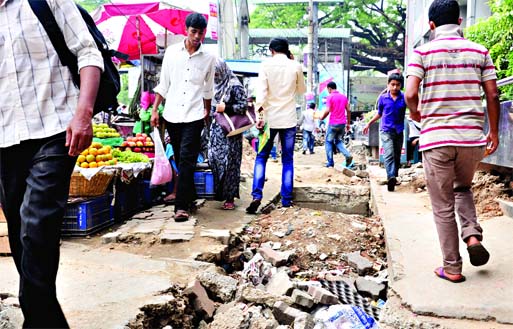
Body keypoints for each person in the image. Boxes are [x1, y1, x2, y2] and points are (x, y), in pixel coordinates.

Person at [0, 0, 103, 326]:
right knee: (21, 239)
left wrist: (84, 113)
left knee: (36, 226)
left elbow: (87, 52)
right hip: (5, 139)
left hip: (56, 130)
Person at [405, 0, 500, 283]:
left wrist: (417, 113)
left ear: (431, 26)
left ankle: (452, 268)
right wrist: (493, 132)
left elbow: (410, 94)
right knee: (463, 188)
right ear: (460, 22)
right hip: (471, 139)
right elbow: (493, 95)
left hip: (436, 139)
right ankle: (472, 236)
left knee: (443, 205)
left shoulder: (421, 52)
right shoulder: (480, 51)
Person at [151, 13, 216, 222]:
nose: (197, 36)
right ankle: (190, 195)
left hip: (195, 114)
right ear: (186, 30)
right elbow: (163, 84)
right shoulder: (171, 53)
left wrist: (207, 112)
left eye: (201, 32)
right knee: (180, 157)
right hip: (172, 114)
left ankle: (180, 207)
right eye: (193, 31)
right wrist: (154, 110)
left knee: (188, 158)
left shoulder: (208, 58)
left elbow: (208, 89)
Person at [246, 38, 306, 213]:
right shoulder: (295, 66)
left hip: (269, 119)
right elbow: (301, 91)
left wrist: (259, 115)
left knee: (261, 157)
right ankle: (286, 200)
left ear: (271, 50)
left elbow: (262, 93)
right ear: (287, 50)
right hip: (288, 119)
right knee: (287, 159)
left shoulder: (265, 65)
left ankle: (257, 195)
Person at [208, 59, 247, 210]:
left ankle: (230, 197)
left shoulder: (235, 85)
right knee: (214, 160)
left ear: (223, 70)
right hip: (216, 131)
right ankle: (219, 193)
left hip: (231, 132)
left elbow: (243, 106)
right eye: (214, 73)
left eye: (217, 72)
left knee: (230, 163)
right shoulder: (213, 86)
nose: (216, 75)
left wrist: (227, 107)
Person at [363, 73, 407, 191]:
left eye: (397, 85)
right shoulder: (383, 98)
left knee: (397, 155)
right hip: (386, 130)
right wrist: (369, 123)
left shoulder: (404, 97)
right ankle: (391, 177)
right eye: (392, 84)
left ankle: (393, 176)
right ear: (388, 84)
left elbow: (413, 108)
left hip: (398, 130)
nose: (394, 87)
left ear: (401, 86)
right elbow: (379, 113)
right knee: (389, 153)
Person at [320, 81, 353, 168]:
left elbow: (327, 110)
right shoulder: (343, 97)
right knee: (338, 141)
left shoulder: (330, 97)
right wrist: (348, 123)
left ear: (329, 89)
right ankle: (348, 155)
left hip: (333, 124)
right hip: (342, 124)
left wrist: (322, 118)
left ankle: (330, 162)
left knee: (328, 142)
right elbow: (349, 111)